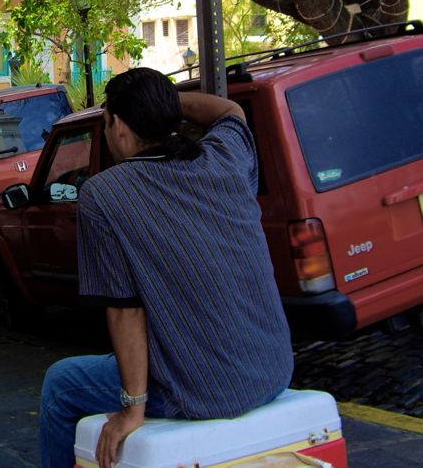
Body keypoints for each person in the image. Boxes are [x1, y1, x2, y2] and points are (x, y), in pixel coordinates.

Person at [40, 68, 293, 468]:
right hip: (273, 369)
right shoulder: (225, 158)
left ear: (118, 126)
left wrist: (132, 408)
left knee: (60, 384)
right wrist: (165, 105)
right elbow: (228, 110)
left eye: (107, 120)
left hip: (203, 390)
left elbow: (126, 309)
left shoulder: (105, 194)